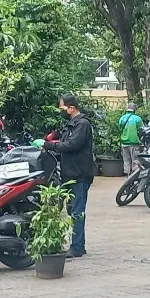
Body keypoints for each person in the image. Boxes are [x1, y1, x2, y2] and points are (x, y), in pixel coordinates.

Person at [43, 93, 94, 258]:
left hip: (79, 174)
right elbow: (64, 142)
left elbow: (72, 145)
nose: (61, 111)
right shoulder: (71, 124)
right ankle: (79, 244)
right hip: (69, 174)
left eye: (62, 108)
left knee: (78, 212)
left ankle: (77, 247)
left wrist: (50, 145)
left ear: (71, 108)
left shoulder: (82, 125)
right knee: (72, 211)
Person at [118, 103, 143, 175]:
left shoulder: (122, 118)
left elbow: (120, 128)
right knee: (135, 161)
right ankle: (134, 177)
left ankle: (127, 177)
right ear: (134, 110)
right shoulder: (137, 119)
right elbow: (141, 130)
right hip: (134, 143)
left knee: (126, 160)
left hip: (124, 143)